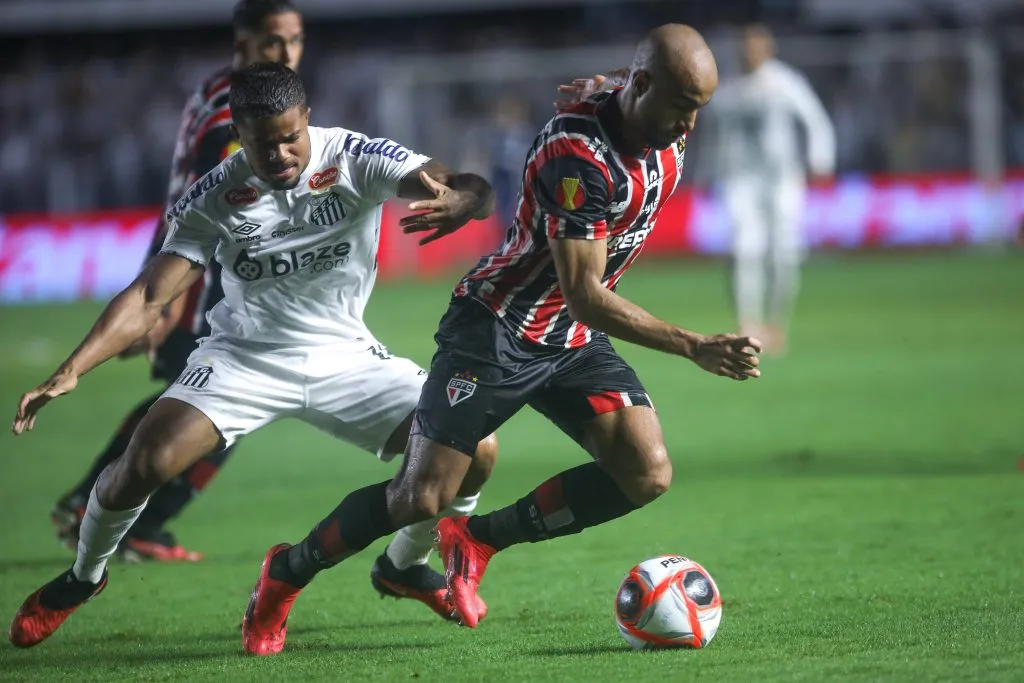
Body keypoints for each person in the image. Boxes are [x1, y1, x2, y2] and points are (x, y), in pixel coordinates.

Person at [241, 23, 760, 642]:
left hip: (566, 337)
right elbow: (587, 295)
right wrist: (692, 344)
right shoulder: (579, 158)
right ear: (646, 86)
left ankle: (478, 539)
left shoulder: (646, 116)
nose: (690, 125)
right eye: (682, 106)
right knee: (418, 499)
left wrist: (614, 84)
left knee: (645, 472)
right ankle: (287, 571)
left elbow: (627, 91)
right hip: (497, 330)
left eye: (698, 108)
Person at [8, 62, 497, 652]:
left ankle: (404, 563)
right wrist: (71, 370)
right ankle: (82, 578)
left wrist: (465, 199)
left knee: (475, 449)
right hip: (244, 357)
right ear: (240, 131)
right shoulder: (216, 194)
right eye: (264, 144)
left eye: (291, 137)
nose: (282, 153)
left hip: (346, 355)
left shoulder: (354, 156)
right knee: (147, 461)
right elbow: (148, 294)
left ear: (306, 120)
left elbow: (456, 181)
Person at [51, 0, 307, 563]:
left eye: (293, 40)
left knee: (198, 404)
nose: (286, 53)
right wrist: (165, 300)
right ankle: (121, 515)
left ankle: (89, 502)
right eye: (273, 42)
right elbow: (198, 211)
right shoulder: (231, 114)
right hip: (205, 282)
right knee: (222, 408)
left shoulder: (221, 93)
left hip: (207, 276)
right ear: (243, 45)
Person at [708, 24, 836, 353]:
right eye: (745, 46)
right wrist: (706, 174)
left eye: (756, 46)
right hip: (739, 178)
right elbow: (714, 137)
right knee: (743, 249)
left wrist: (820, 158)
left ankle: (777, 325)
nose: (749, 52)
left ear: (768, 50)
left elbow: (815, 119)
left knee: (784, 252)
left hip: (782, 178)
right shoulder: (728, 88)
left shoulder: (784, 82)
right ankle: (747, 323)